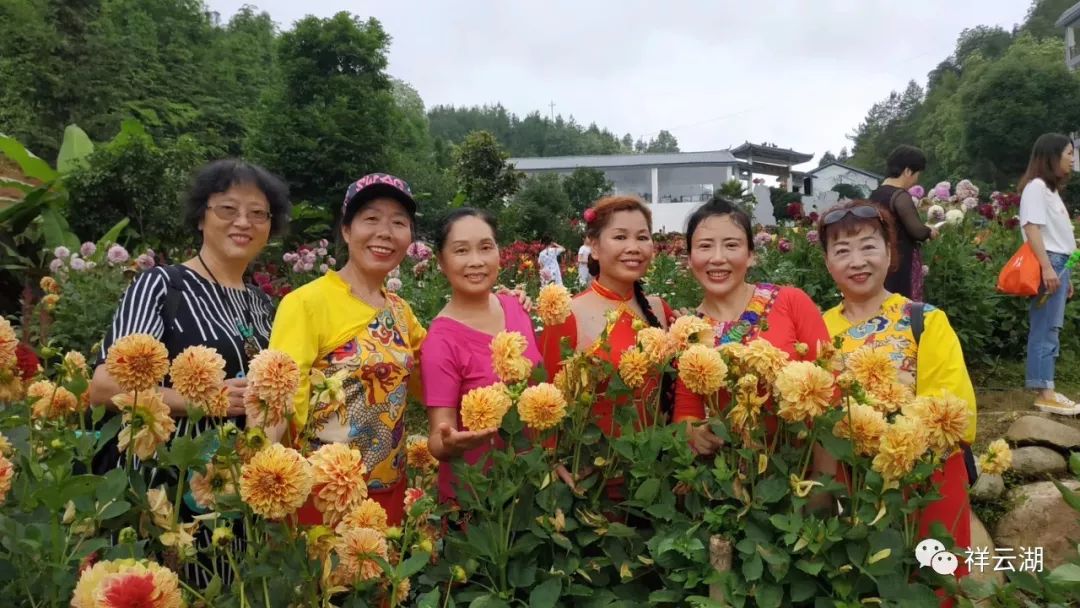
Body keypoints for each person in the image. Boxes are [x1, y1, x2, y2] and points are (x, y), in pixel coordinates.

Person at [89, 159, 291, 585]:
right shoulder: (161, 286)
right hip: (162, 491)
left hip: (233, 500)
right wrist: (203, 400)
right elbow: (103, 386)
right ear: (202, 215)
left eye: (259, 213)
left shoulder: (262, 306)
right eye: (228, 209)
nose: (244, 222)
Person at [817, 200, 976, 585]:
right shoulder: (818, 330)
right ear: (827, 263)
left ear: (891, 254)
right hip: (850, 482)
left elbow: (954, 410)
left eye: (869, 246)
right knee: (858, 583)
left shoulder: (925, 320)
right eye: (842, 251)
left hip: (925, 478)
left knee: (934, 584)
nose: (857, 261)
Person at [269, 173, 427, 525]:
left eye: (398, 222)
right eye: (371, 219)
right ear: (346, 230)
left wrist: (494, 310)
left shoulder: (401, 311)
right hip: (320, 498)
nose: (385, 232)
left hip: (388, 494)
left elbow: (434, 376)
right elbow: (279, 402)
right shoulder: (306, 304)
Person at [671, 196, 830, 454]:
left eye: (731, 245)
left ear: (751, 256)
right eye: (705, 246)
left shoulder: (790, 302)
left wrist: (820, 483)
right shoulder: (688, 330)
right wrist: (692, 432)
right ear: (689, 259)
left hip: (798, 466)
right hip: (724, 479)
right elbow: (686, 412)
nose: (718, 258)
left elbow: (829, 393)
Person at [541, 196, 675, 490]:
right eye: (620, 236)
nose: (634, 247)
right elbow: (544, 396)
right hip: (596, 481)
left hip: (658, 476)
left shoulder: (659, 309)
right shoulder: (568, 313)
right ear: (595, 246)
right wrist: (552, 459)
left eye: (642, 237)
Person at [421, 208, 542, 504]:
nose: (476, 261)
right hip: (478, 502)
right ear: (441, 261)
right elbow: (438, 436)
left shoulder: (516, 308)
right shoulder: (440, 341)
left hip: (531, 488)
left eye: (486, 247)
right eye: (461, 251)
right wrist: (449, 443)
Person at [1017, 133, 1077, 415]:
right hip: (1049, 261)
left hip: (1059, 263)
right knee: (1044, 328)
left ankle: (1048, 388)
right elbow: (1031, 228)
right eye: (1069, 153)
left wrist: (1067, 276)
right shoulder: (1036, 188)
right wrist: (1047, 267)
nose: (1073, 159)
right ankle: (1044, 391)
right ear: (1052, 156)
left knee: (1052, 328)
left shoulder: (1051, 191)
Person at [868, 145, 938, 300]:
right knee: (904, 305)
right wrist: (929, 231)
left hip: (881, 258)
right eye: (916, 174)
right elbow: (917, 231)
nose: (915, 180)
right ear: (907, 171)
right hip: (901, 260)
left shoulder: (875, 195)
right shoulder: (899, 196)